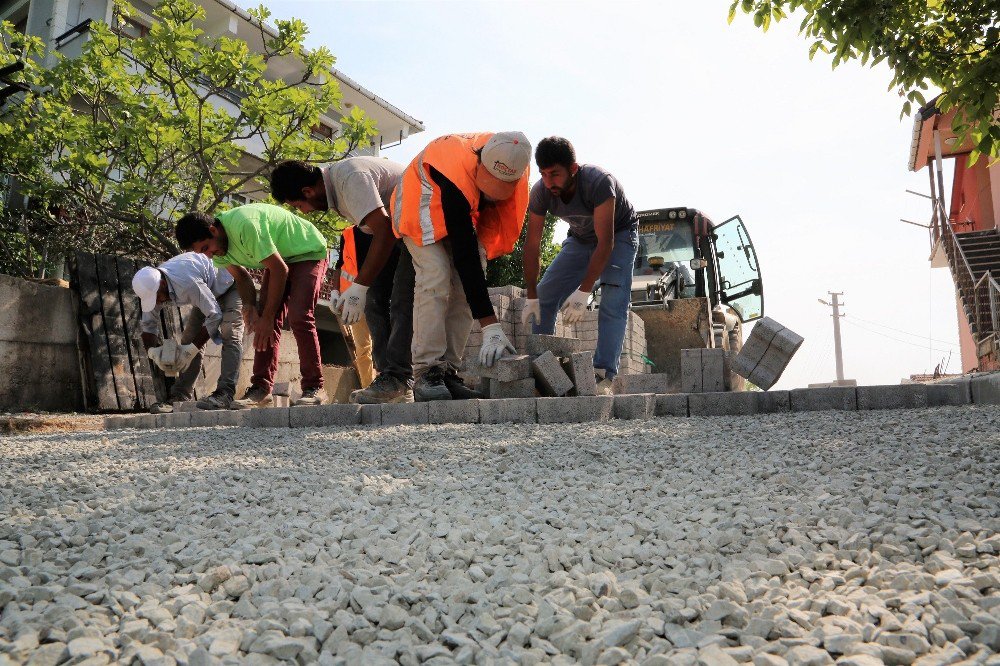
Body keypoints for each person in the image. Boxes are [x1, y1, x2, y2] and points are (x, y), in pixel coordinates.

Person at [391, 132, 531, 401]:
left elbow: (472, 257)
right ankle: (427, 371)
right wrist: (490, 324)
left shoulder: (516, 161)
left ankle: (447, 372)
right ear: (479, 161)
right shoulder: (453, 165)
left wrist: (487, 319)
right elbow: (463, 252)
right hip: (419, 201)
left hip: (464, 211)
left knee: (466, 287)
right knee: (436, 275)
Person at [269, 157, 415, 404]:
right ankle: (390, 379)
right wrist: (357, 288)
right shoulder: (338, 191)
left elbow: (385, 231)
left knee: (400, 298)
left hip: (421, 226)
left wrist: (358, 287)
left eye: (298, 205)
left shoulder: (349, 179)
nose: (304, 212)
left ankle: (402, 378)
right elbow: (381, 234)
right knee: (374, 300)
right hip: (402, 231)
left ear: (308, 191)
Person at [175, 202, 328, 407]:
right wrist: (249, 307)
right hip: (279, 259)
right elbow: (242, 277)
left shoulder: (245, 226)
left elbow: (280, 270)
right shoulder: (218, 250)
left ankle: (314, 386)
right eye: (202, 253)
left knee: (299, 316)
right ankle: (261, 388)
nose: (208, 255)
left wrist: (267, 317)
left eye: (206, 248)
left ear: (213, 230)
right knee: (263, 322)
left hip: (308, 251)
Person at [522, 136, 639, 389]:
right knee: (544, 295)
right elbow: (532, 246)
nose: (548, 182)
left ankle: (602, 374)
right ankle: (545, 371)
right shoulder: (541, 192)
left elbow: (606, 243)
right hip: (580, 238)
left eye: (555, 174)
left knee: (612, 299)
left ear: (573, 169)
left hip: (619, 234)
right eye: (543, 174)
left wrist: (583, 291)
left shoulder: (599, 182)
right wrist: (532, 294)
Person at [132, 252, 244, 412]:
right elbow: (148, 326)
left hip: (230, 283)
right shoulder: (152, 287)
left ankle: (224, 393)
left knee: (230, 335)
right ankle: (179, 396)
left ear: (163, 284)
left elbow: (214, 315)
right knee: (189, 339)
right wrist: (153, 353)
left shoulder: (186, 282)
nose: (156, 302)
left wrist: (190, 351)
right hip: (208, 290)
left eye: (157, 297)